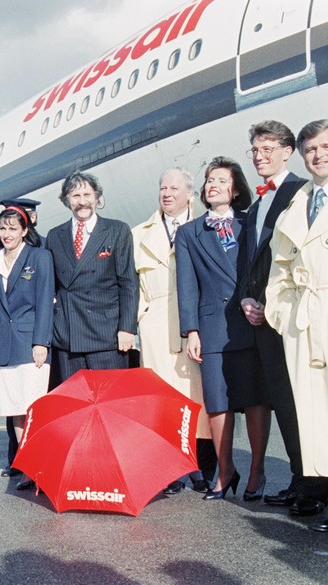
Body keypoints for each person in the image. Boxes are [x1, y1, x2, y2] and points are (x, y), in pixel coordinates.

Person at [176, 156, 260, 501]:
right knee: (217, 401)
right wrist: (191, 330)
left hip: (250, 321)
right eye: (210, 180)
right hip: (211, 325)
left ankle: (256, 471)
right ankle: (225, 470)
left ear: (235, 189)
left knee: (256, 399)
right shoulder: (189, 232)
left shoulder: (250, 222)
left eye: (222, 180)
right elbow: (187, 285)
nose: (214, 185)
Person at [131, 168, 215, 494]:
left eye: (174, 188)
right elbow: (131, 284)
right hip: (156, 327)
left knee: (199, 399)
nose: (167, 193)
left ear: (190, 193)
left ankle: (201, 468)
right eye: (163, 187)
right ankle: (165, 469)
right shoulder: (140, 234)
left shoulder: (205, 227)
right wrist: (142, 316)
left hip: (195, 325)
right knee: (161, 401)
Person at [238, 121, 309, 505]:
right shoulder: (255, 205)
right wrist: (247, 298)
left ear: (287, 151)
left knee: (305, 400)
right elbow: (249, 263)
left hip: (293, 314)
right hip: (262, 317)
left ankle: (316, 485)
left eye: (267, 149)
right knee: (283, 400)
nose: (260, 157)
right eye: (255, 150)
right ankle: (302, 479)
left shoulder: (301, 192)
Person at [265, 119, 328, 531]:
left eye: (324, 147)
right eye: (311, 150)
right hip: (305, 322)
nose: (318, 155)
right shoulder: (299, 202)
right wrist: (285, 314)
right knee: (316, 415)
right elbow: (280, 269)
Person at [44, 171, 138, 382]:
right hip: (68, 338)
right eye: (75, 196)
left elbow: (128, 283)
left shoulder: (117, 230)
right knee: (75, 407)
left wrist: (127, 328)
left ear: (97, 198)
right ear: (66, 201)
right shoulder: (54, 236)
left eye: (87, 195)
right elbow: (51, 288)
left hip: (107, 335)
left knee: (110, 403)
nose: (82, 202)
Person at [0, 204, 53, 491]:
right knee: (16, 409)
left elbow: (44, 301)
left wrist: (41, 341)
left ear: (25, 230)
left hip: (30, 343)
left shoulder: (40, 257)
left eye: (13, 228)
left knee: (33, 408)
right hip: (4, 344)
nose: (7, 234)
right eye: (3, 228)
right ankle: (27, 465)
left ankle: (41, 465)